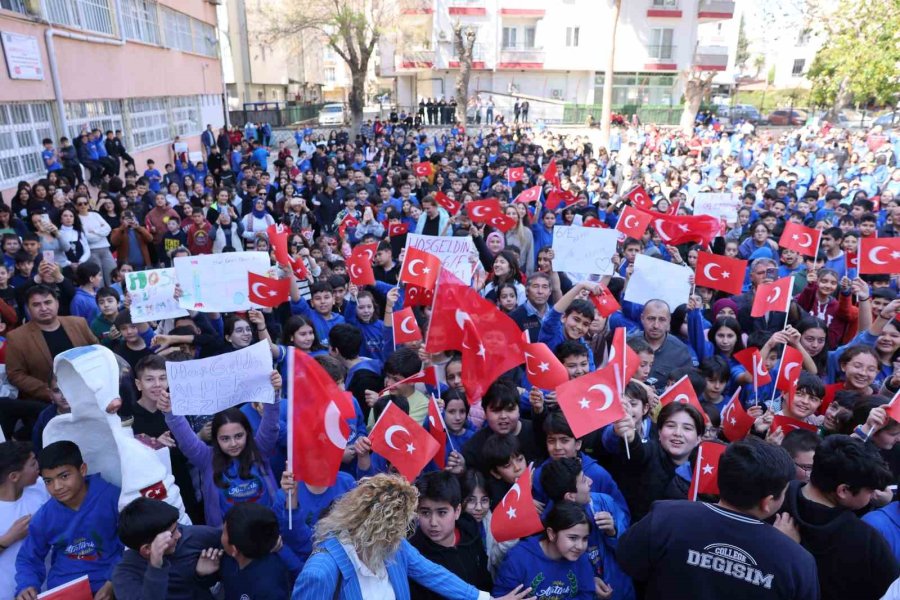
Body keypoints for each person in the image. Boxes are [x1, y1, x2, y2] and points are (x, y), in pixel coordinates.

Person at [617, 439, 819, 599]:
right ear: (767, 502)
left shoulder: (666, 517)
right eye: (784, 491)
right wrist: (783, 549)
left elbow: (628, 560)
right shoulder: (797, 560)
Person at [293, 473, 533, 600]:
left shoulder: (392, 546)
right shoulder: (321, 571)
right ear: (374, 526)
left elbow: (434, 575)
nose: (402, 536)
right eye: (397, 528)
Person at [158, 371, 283, 527]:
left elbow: (271, 425)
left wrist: (274, 392)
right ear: (215, 439)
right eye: (225, 439)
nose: (233, 443)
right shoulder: (206, 458)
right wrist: (170, 412)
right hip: (226, 542)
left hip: (267, 534)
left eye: (238, 436)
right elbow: (186, 440)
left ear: (248, 433)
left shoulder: (259, 450)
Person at [781, 435, 898, 600]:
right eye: (870, 491)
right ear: (843, 490)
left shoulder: (770, 501)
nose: (873, 496)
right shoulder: (867, 542)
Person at [15, 441, 122, 600]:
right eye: (48, 481)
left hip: (109, 584)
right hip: (64, 589)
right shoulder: (45, 516)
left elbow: (132, 545)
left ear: (82, 470)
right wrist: (26, 585)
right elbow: (28, 557)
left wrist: (113, 581)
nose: (57, 487)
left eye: (64, 476)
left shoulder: (113, 498)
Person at [111, 497, 222, 600]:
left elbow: (230, 540)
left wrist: (202, 576)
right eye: (172, 533)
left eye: (177, 526)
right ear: (147, 549)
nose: (179, 535)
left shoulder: (188, 536)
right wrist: (156, 567)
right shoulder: (124, 576)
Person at [6, 285, 98, 403]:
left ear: (57, 303)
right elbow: (15, 374)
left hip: (88, 392)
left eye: (48, 302)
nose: (44, 308)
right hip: (47, 402)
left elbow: (97, 351)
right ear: (28, 309)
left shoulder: (78, 323)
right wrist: (51, 392)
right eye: (36, 305)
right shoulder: (16, 337)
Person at [409, 471, 492, 600]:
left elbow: (484, 582)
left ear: (457, 511)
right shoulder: (414, 554)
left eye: (442, 512)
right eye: (425, 513)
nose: (433, 522)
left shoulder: (471, 534)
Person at [493, 501, 596, 599]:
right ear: (551, 534)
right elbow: (501, 596)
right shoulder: (518, 558)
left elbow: (586, 594)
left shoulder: (581, 558)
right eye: (573, 538)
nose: (580, 546)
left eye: (585, 538)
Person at [0, 441, 48, 600]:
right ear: (14, 476)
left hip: (49, 587)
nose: (38, 466)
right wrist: (9, 538)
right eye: (33, 463)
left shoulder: (41, 485)